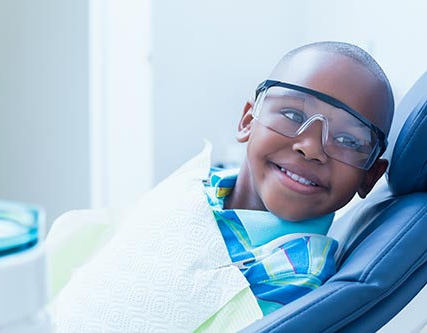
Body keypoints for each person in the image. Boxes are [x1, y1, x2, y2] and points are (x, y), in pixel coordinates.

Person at [50, 41, 394, 332]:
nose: (311, 147)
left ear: (370, 176)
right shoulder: (192, 185)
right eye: (292, 115)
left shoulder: (293, 281)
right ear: (247, 121)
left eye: (349, 138)